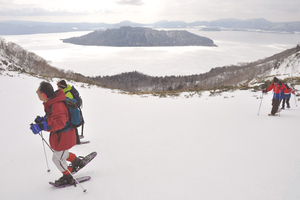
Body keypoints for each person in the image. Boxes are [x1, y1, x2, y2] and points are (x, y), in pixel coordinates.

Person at [30, 81, 84, 186]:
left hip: (65, 136)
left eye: (38, 91)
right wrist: (43, 120)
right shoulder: (51, 102)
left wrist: (43, 126)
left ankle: (68, 177)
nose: (37, 93)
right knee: (62, 155)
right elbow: (53, 116)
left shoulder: (56, 105)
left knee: (57, 159)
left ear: (43, 94)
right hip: (60, 136)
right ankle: (77, 162)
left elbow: (60, 123)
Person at [57, 80, 82, 144]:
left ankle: (77, 141)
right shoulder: (65, 91)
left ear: (62, 87)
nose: (58, 88)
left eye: (59, 87)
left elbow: (71, 104)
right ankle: (75, 138)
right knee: (72, 126)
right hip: (70, 111)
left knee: (73, 125)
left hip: (72, 112)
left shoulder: (67, 93)